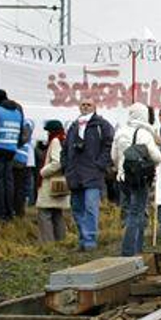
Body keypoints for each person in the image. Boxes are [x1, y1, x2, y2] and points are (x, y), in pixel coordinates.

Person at [111, 103, 161, 256]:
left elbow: (113, 156)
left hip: (123, 178)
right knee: (137, 212)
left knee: (129, 211)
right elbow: (157, 157)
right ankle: (130, 251)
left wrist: (120, 168)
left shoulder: (119, 132)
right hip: (139, 179)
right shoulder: (145, 133)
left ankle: (136, 248)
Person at [63, 98, 114, 251]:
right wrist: (66, 165)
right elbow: (65, 148)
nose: (85, 107)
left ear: (95, 107)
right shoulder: (73, 126)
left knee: (91, 208)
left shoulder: (102, 125)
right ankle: (83, 239)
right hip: (74, 174)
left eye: (88, 104)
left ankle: (90, 240)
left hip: (93, 174)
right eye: (83, 104)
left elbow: (109, 144)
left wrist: (100, 164)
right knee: (77, 208)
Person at [0, 89, 26, 221]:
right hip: (11, 150)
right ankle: (9, 211)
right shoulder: (17, 113)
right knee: (8, 181)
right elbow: (21, 134)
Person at [37, 120, 70, 243]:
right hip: (61, 181)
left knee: (44, 213)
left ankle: (47, 243)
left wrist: (42, 172)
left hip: (50, 182)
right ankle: (61, 241)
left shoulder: (55, 141)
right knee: (57, 214)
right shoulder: (64, 139)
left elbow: (57, 163)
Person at [12, 119, 36, 217]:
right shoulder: (25, 125)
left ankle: (19, 209)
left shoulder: (24, 125)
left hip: (21, 161)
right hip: (25, 161)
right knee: (22, 188)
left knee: (20, 188)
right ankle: (21, 209)